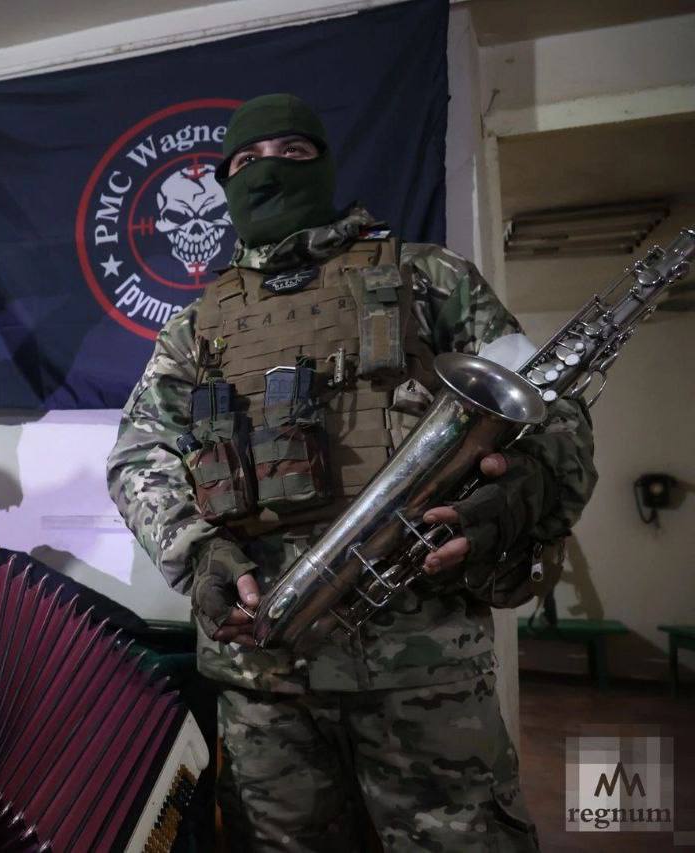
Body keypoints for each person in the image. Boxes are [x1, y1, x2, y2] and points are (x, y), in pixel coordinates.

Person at [106, 94, 597, 851]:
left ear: (326, 165)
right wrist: (198, 551)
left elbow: (554, 412)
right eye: (245, 161)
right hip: (264, 671)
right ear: (224, 183)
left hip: (422, 660)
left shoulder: (430, 277)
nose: (268, 171)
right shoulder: (193, 328)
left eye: (292, 153)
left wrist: (520, 495)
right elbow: (140, 455)